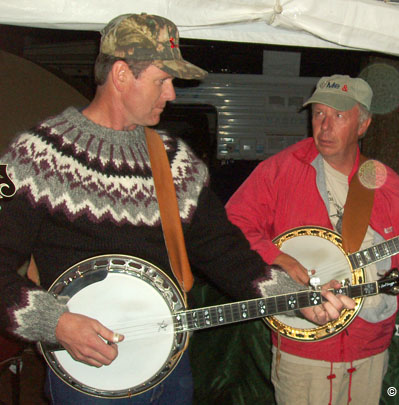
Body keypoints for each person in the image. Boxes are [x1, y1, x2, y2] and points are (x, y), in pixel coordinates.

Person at [0, 15, 354, 405]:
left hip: (171, 372)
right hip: (89, 380)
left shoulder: (174, 161)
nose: (171, 93)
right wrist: (56, 323)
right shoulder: (37, 158)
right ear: (121, 75)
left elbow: (226, 253)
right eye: (162, 80)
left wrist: (299, 297)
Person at [225, 74, 399, 405]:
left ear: (363, 124)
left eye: (338, 115)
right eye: (318, 113)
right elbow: (232, 229)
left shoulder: (380, 181)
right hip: (304, 346)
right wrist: (282, 261)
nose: (324, 126)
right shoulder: (279, 171)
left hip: (367, 349)